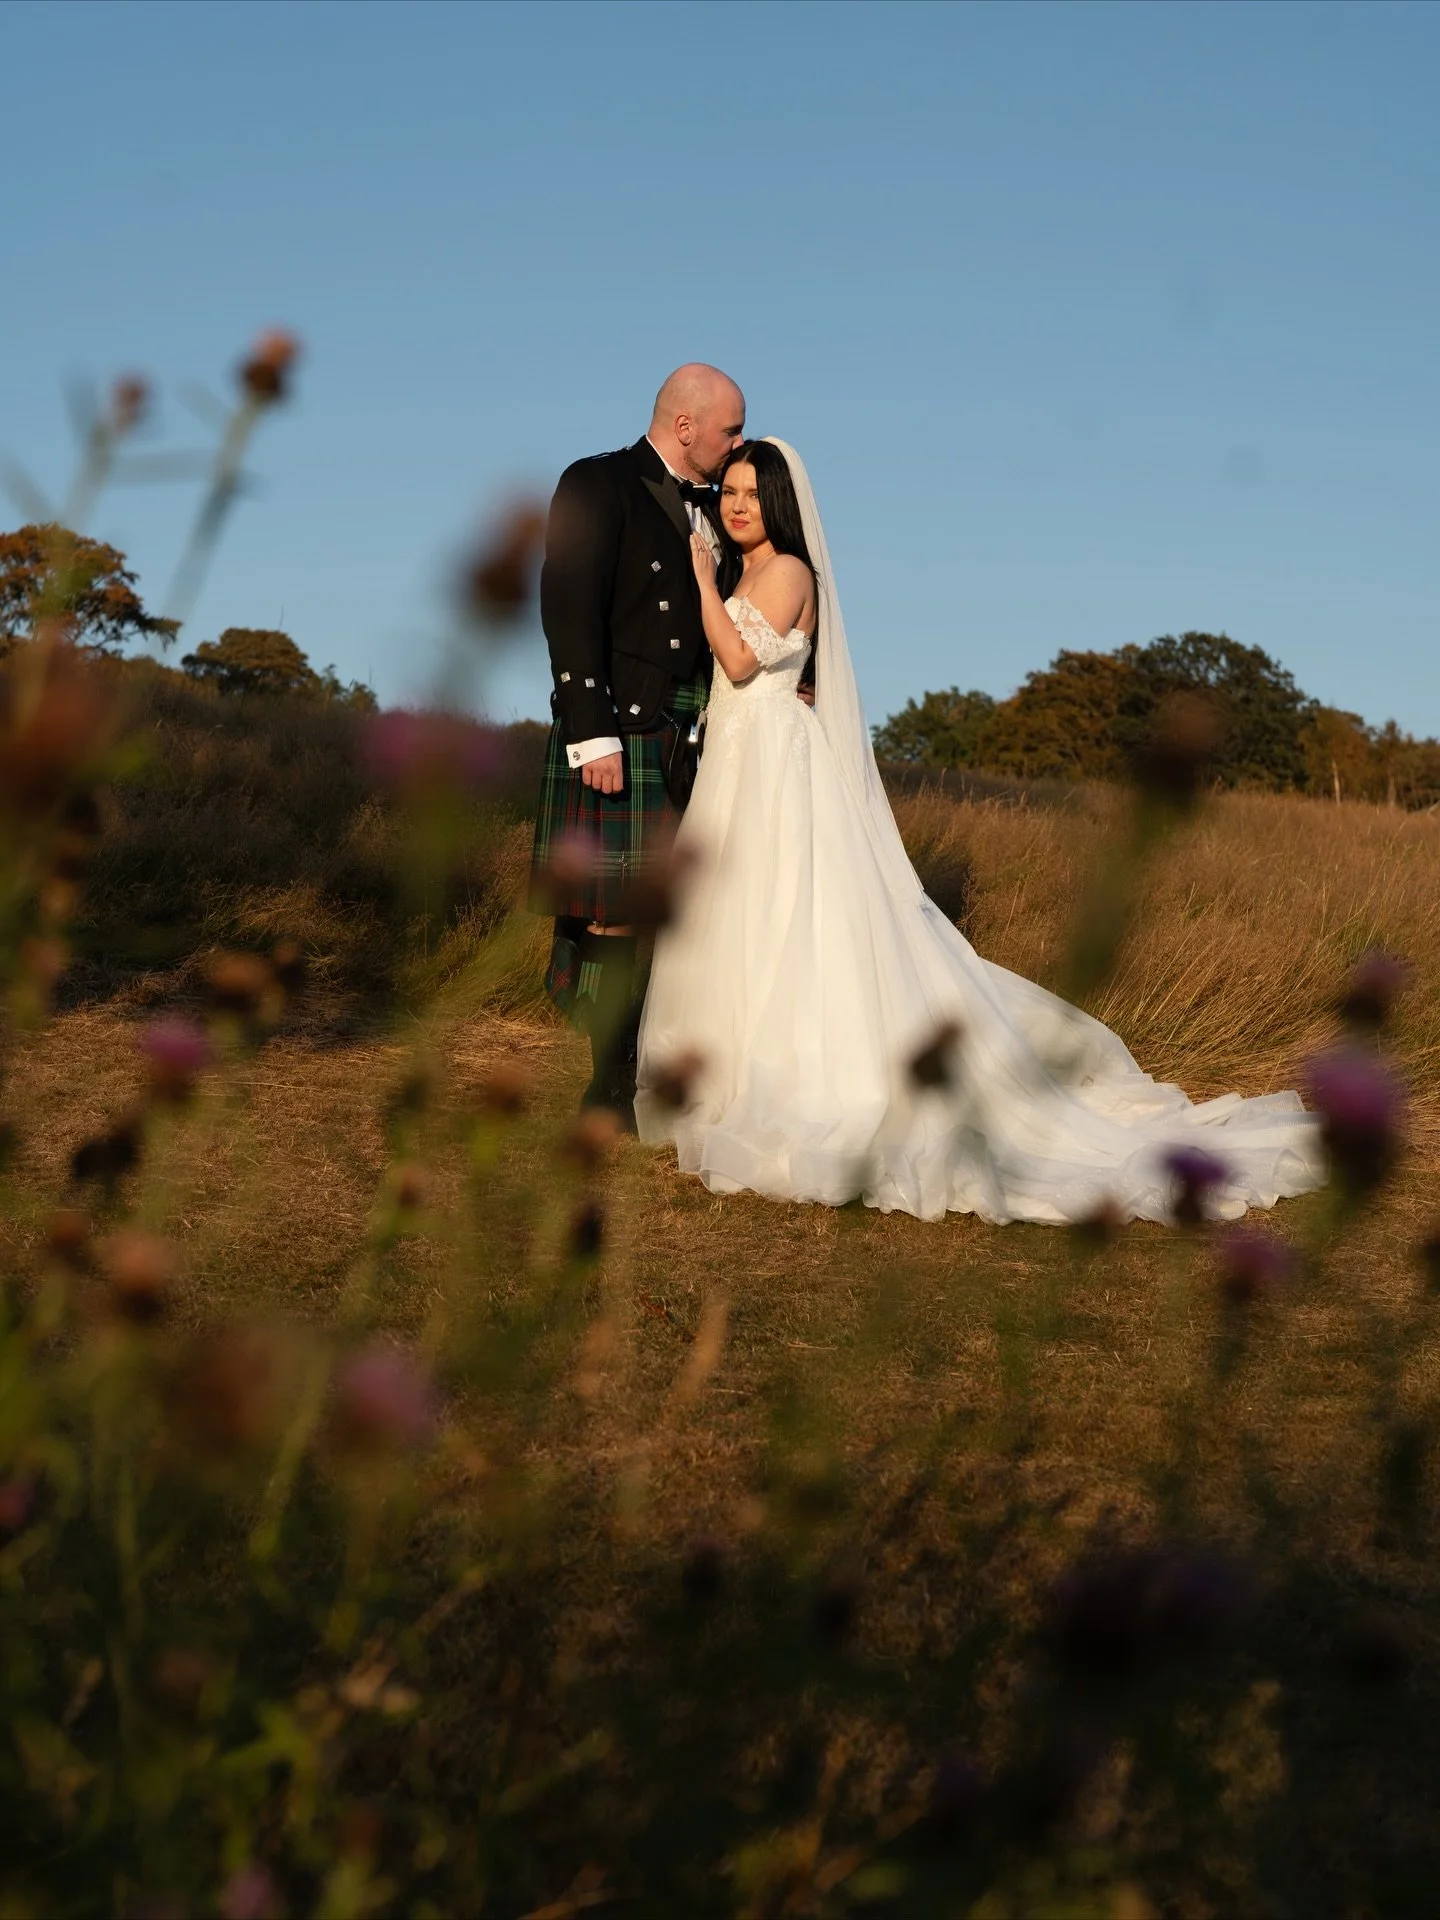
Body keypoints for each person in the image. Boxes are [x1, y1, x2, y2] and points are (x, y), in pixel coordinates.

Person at [634, 439, 1327, 1225]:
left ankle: (791, 1077)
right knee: (734, 913)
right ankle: (725, 1073)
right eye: (729, 492)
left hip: (768, 768)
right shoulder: (748, 573)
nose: (737, 506)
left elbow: (734, 660)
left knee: (783, 911)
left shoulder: (787, 570)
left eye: (753, 494)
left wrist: (700, 581)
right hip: (742, 759)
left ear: (781, 505)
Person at [528, 364, 746, 1119]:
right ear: (685, 426)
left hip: (705, 730)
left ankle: (653, 1062)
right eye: (729, 429)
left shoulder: (727, 504)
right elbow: (568, 607)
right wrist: (592, 733)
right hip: (625, 724)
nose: (739, 442)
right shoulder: (597, 483)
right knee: (613, 907)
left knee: (680, 907)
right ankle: (609, 1085)